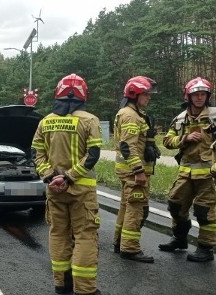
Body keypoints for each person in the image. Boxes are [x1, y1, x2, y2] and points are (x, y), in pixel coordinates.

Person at [32, 74, 103, 295]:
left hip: (54, 190)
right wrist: (70, 177)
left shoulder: (45, 121)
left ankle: (62, 286)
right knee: (85, 236)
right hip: (81, 190)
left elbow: (36, 153)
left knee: (58, 234)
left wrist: (50, 177)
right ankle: (85, 290)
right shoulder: (90, 120)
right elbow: (93, 155)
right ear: (83, 94)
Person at [159, 77, 216, 262]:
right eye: (195, 94)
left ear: (208, 96)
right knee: (175, 205)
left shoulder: (214, 116)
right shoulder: (181, 118)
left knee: (204, 211)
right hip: (186, 173)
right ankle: (180, 239)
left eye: (203, 94)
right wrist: (184, 138)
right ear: (188, 96)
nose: (199, 98)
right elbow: (167, 141)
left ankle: (206, 248)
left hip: (209, 175)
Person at [112, 76, 160, 263]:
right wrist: (138, 170)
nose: (149, 98)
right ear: (135, 94)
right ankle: (130, 248)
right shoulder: (131, 115)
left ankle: (119, 242)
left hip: (128, 171)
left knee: (126, 207)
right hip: (134, 173)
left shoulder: (130, 112)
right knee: (136, 210)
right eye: (146, 94)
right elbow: (127, 146)